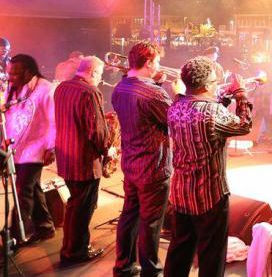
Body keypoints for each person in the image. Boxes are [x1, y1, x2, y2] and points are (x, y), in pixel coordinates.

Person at [164, 56, 253, 277]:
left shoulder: (174, 107)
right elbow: (244, 125)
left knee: (180, 251)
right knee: (212, 255)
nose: (216, 86)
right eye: (214, 82)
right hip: (210, 195)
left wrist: (223, 98)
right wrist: (241, 93)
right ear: (205, 85)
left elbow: (204, 115)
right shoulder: (213, 112)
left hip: (181, 193)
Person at [111, 42, 173, 277]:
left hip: (131, 164)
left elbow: (143, 114)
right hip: (153, 167)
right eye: (157, 61)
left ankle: (124, 266)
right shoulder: (154, 93)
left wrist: (157, 84)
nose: (158, 65)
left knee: (129, 216)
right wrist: (177, 92)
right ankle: (151, 271)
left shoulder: (120, 87)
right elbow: (175, 120)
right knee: (151, 223)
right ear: (148, 63)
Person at [54, 56, 110, 265]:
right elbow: (96, 130)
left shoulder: (62, 88)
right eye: (100, 74)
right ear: (93, 72)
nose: (101, 79)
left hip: (66, 157)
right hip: (85, 161)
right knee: (84, 207)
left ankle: (68, 247)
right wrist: (108, 150)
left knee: (74, 204)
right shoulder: (90, 92)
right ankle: (77, 252)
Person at [3, 54, 56, 244]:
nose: (11, 77)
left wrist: (52, 147)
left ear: (28, 72)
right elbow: (10, 116)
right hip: (17, 148)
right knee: (32, 187)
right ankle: (45, 226)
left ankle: (15, 236)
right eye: (10, 73)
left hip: (36, 149)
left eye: (15, 73)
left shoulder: (45, 89)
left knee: (23, 191)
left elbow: (53, 120)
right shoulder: (14, 88)